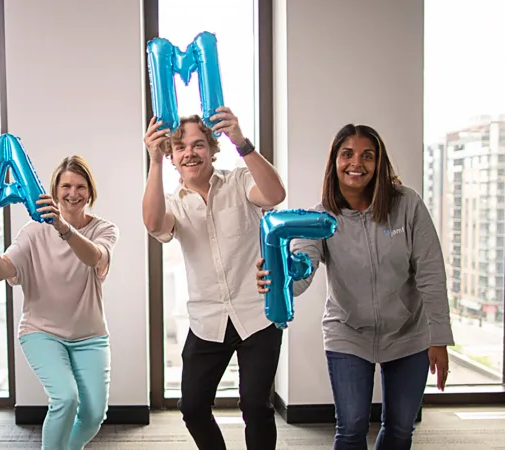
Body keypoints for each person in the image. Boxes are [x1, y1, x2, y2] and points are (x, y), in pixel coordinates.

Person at [255, 124, 454, 450]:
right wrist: (278, 280)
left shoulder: (407, 205)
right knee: (351, 428)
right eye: (347, 154)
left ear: (379, 163)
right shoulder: (320, 218)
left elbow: (431, 273)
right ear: (334, 161)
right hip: (348, 332)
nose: (356, 163)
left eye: (367, 156)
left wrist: (439, 338)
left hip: (409, 333)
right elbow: (302, 274)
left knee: (402, 429)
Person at [142, 107, 287, 449]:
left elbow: (275, 195)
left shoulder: (239, 182)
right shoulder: (172, 203)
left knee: (256, 406)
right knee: (192, 407)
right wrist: (154, 160)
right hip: (207, 320)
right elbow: (152, 225)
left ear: (211, 148)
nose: (190, 153)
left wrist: (242, 141)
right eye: (180, 148)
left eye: (198, 144)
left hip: (256, 316)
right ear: (173, 156)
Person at [0, 155, 119, 450]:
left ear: (90, 191)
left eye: (80, 186)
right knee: (65, 398)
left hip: (90, 336)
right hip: (41, 332)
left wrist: (62, 227)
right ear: (54, 191)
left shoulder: (105, 229)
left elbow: (93, 257)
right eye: (66, 186)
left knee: (93, 416)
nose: (73, 193)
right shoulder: (32, 231)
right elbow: (3, 271)